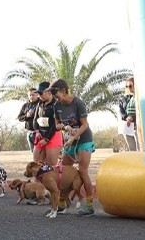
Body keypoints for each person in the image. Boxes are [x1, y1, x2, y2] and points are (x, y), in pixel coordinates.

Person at [51, 78, 96, 217]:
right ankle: (62, 203)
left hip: (84, 140)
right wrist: (65, 127)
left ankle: (89, 205)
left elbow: (84, 125)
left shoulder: (78, 103)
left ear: (64, 91)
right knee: (62, 170)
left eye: (55, 92)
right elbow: (57, 124)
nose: (54, 95)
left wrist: (73, 138)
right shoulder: (56, 105)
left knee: (82, 171)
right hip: (70, 140)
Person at [32, 83, 61, 167]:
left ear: (48, 92)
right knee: (36, 164)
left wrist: (47, 139)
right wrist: (37, 131)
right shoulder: (39, 104)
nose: (39, 95)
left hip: (53, 135)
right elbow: (35, 119)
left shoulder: (56, 105)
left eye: (41, 93)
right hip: (40, 136)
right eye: (38, 93)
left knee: (51, 165)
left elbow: (55, 124)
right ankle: (37, 180)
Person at [18, 83, 44, 152]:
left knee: (41, 153)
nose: (31, 96)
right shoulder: (25, 106)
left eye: (33, 95)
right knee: (33, 153)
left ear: (37, 95)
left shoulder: (42, 103)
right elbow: (20, 118)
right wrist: (27, 116)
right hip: (30, 133)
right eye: (30, 95)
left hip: (40, 133)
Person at [118, 77, 138, 151]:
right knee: (132, 149)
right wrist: (126, 118)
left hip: (137, 126)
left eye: (130, 86)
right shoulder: (125, 98)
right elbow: (121, 110)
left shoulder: (138, 96)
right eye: (127, 86)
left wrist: (132, 118)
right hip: (128, 126)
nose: (128, 88)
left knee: (140, 148)